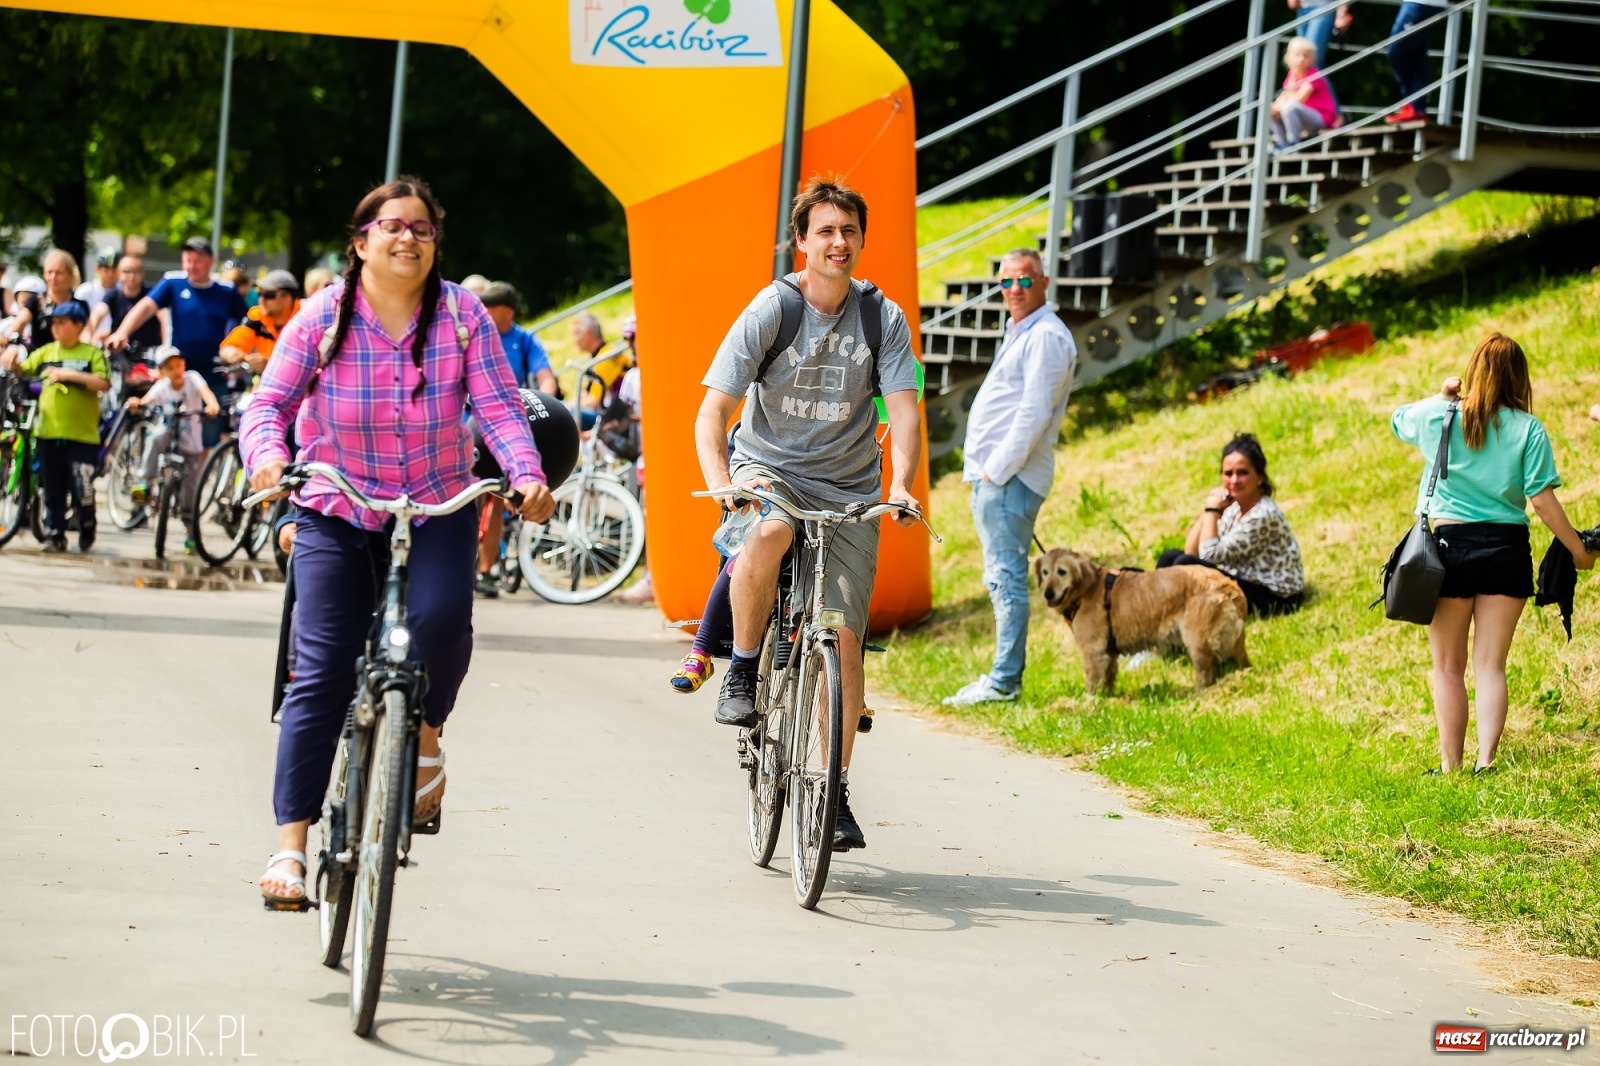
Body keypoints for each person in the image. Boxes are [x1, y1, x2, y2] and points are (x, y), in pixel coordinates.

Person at [240, 176, 555, 907]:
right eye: (392, 226)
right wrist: (265, 455)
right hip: (335, 506)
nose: (408, 237)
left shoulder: (462, 316)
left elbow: (502, 409)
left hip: (436, 503)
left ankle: (427, 735)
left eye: (422, 228)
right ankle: (290, 848)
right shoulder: (323, 317)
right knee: (317, 675)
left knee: (442, 621)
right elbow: (270, 404)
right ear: (360, 243)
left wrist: (525, 474)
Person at [696, 175, 922, 852]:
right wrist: (721, 482)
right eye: (824, 230)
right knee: (766, 532)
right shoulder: (774, 308)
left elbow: (906, 412)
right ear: (801, 241)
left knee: (843, 635)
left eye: (849, 231)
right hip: (769, 469)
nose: (838, 242)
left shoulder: (882, 317)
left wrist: (904, 482)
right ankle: (740, 666)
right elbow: (712, 411)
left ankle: (836, 787)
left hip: (850, 485)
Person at [1393, 334, 1595, 774]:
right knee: (1490, 666)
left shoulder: (1439, 417)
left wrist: (1443, 395)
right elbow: (1541, 501)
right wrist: (1577, 549)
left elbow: (1398, 420)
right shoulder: (1529, 429)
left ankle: (1451, 767)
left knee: (1447, 666)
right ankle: (1486, 762)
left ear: (1472, 371)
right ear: (1520, 377)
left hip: (1448, 551)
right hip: (1506, 550)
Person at [942, 248, 1077, 708]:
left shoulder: (1048, 337)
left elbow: (1034, 413)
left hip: (1010, 477)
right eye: (1006, 282)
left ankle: (1004, 682)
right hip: (999, 477)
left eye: (1024, 280)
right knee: (1001, 577)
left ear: (1044, 281)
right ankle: (1002, 678)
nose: (1014, 290)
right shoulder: (1022, 329)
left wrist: (995, 470)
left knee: (1006, 580)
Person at [0, 301, 109, 552]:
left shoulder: (91, 354)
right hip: (49, 432)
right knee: (53, 486)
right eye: (53, 323)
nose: (56, 328)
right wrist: (14, 357)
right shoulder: (47, 351)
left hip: (82, 435)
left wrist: (71, 376)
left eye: (62, 323)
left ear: (79, 325)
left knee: (82, 485)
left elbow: (103, 382)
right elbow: (25, 369)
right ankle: (55, 532)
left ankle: (87, 520)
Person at [1157, 433, 1306, 616]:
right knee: (1170, 557)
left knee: (1186, 565)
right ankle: (1160, 617)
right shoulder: (1233, 507)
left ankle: (1166, 619)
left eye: (1242, 473)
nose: (1234, 480)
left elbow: (1209, 555)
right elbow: (1192, 550)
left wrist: (1212, 511)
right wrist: (1210, 511)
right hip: (1245, 582)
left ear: (1260, 477)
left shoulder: (1263, 514)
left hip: (1275, 598)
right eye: (1228, 474)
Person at [106, 237, 248, 415]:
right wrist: (122, 332)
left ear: (211, 261)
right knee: (173, 430)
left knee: (211, 431)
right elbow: (146, 306)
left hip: (214, 373)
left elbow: (247, 323)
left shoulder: (225, 290)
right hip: (178, 373)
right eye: (187, 261)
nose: (191, 266)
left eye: (197, 261)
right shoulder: (173, 282)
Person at [125, 346, 221, 553]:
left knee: (190, 491)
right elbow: (147, 400)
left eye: (179, 365)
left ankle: (190, 534)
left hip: (191, 443)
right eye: (170, 367)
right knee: (157, 436)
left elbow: (206, 393)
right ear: (162, 372)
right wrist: (138, 402)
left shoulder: (192, 378)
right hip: (169, 434)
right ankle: (146, 480)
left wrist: (212, 406)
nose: (176, 370)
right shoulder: (162, 387)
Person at [479, 282, 556, 393]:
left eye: (492, 306)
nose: (484, 310)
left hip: (514, 405)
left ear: (508, 313)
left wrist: (541, 407)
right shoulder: (474, 338)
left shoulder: (525, 340)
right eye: (484, 305)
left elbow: (546, 379)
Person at [220, 269, 302, 373]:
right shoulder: (257, 315)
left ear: (287, 298)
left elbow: (304, 366)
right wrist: (232, 353)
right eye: (260, 294)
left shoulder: (305, 319)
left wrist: (269, 364)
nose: (261, 300)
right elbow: (229, 346)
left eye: (268, 295)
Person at [1270, 37, 1339, 150]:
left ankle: (1293, 142)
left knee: (1289, 108)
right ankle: (1281, 143)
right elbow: (1285, 95)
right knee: (1271, 110)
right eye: (1297, 55)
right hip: (1304, 116)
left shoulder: (1314, 74)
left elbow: (1299, 99)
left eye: (1305, 56)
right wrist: (1275, 107)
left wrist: (1280, 106)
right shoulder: (1292, 76)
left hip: (1321, 118)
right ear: (1288, 57)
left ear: (1312, 59)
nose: (1301, 59)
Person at [1386, 0, 1446, 124]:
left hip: (1420, 3)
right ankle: (1417, 106)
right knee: (1417, 55)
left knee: (1396, 50)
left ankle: (1414, 104)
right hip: (1425, 4)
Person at [572, 312, 632, 431]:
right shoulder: (599, 356)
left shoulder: (605, 358)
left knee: (570, 414)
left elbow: (594, 402)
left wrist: (569, 407)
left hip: (618, 417)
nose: (574, 340)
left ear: (588, 334)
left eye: (576, 333)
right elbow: (587, 393)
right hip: (609, 412)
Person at [90, 256, 163, 352]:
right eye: (126, 272)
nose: (131, 276)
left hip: (150, 351)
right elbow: (99, 311)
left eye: (136, 271)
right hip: (120, 350)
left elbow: (164, 317)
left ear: (143, 273)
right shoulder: (113, 295)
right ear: (118, 273)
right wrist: (89, 334)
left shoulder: (153, 294)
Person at [1286, 0, 1352, 70]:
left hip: (1324, 8)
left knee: (1312, 60)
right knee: (1301, 58)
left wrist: (1341, 14)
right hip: (1302, 8)